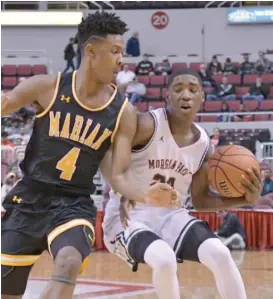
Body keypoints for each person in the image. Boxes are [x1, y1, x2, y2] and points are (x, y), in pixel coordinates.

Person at [1, 11, 174, 299]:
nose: (122, 59)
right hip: (28, 199)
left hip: (73, 204)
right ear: (90, 51)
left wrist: (148, 194)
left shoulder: (123, 112)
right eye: (115, 51)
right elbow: (6, 103)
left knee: (68, 261)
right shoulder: (47, 87)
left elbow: (118, 175)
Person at [100, 69, 262, 299]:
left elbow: (200, 200)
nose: (185, 95)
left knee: (220, 254)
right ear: (167, 96)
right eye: (178, 89)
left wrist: (244, 199)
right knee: (164, 260)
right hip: (128, 217)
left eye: (193, 90)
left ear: (202, 98)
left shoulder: (205, 145)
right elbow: (107, 155)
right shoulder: (147, 125)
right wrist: (141, 193)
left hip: (171, 217)